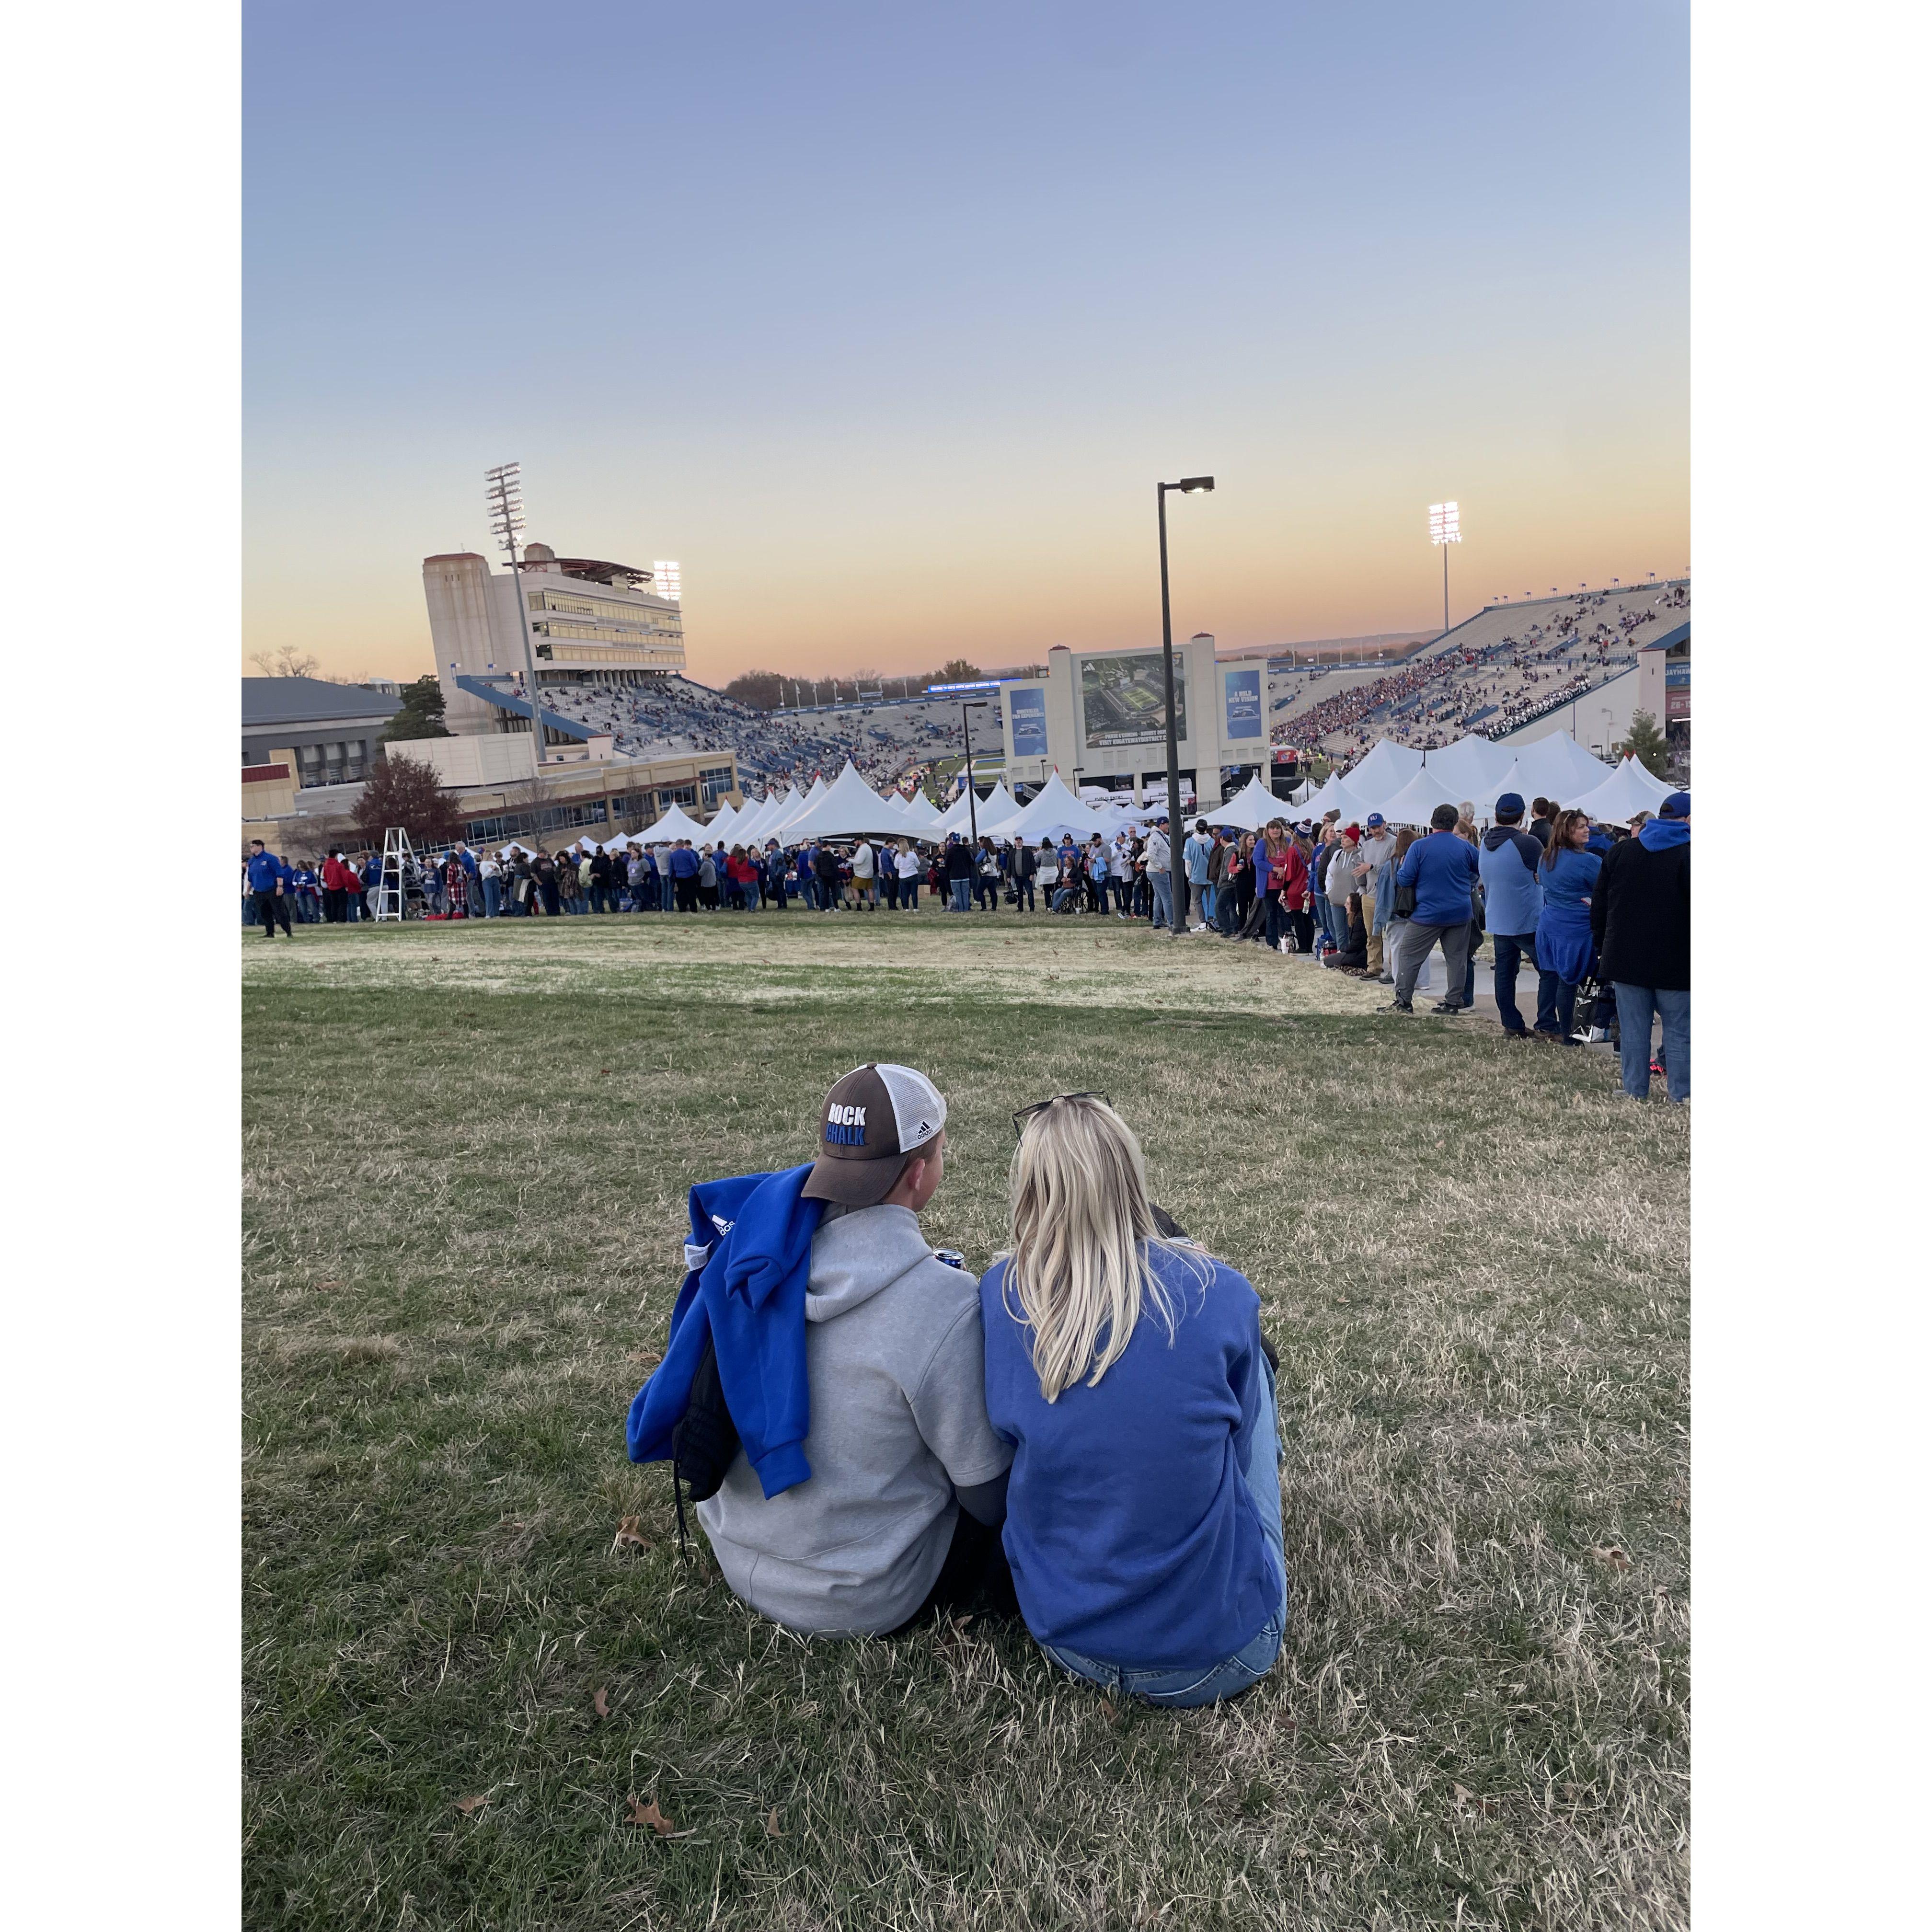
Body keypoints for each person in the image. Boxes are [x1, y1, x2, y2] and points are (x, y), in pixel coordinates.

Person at [632, 1064, 1014, 1636]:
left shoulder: (751, 1250)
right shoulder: (945, 1305)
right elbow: (989, 1499)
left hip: (737, 1554)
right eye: (939, 1153)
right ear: (917, 1173)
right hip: (859, 1597)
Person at [978, 1095, 1285, 1707]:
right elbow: (1240, 1438)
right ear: (1130, 1176)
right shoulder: (1219, 1290)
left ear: (1030, 1190)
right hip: (1226, 1653)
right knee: (1252, 1397)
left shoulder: (1002, 1293)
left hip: (1068, 1640)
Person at [1591, 791, 1690, 1101]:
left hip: (1625, 958)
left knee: (1634, 1031)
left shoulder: (1621, 853)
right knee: (1680, 1031)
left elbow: (1600, 906)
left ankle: (1635, 1090)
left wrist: (1602, 948)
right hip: (1678, 960)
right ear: (1687, 820)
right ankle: (1682, 1093)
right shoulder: (1690, 855)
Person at [1382, 804, 1480, 1015]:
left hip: (1427, 913)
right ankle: (1453, 1002)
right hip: (1459, 911)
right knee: (1457, 959)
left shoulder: (1419, 847)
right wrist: (1468, 884)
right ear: (1455, 823)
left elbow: (1405, 878)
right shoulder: (1466, 847)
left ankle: (1403, 1001)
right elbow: (1480, 871)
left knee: (1409, 956)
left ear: (1432, 821)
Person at [1477, 793, 1545, 1039]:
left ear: (1496, 816)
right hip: (1528, 919)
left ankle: (1512, 1023)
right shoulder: (1528, 843)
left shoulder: (1484, 842)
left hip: (1499, 919)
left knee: (1505, 974)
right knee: (1548, 971)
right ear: (1522, 816)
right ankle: (1547, 1024)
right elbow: (1546, 872)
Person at [1533, 810, 1601, 1044]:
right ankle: (1575, 1036)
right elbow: (1604, 892)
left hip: (1550, 925)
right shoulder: (1588, 862)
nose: (1587, 830)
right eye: (1581, 826)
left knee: (1556, 979)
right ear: (1567, 831)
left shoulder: (1546, 858)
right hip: (1577, 929)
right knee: (1579, 982)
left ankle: (1564, 1032)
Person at [1355, 813, 1395, 976]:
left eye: (1378, 827)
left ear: (1385, 824)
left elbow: (1392, 868)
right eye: (1373, 828)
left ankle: (1396, 969)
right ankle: (1374, 967)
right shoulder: (1367, 846)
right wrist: (1363, 890)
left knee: (1393, 935)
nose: (1376, 831)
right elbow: (1360, 869)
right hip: (1369, 896)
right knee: (1372, 935)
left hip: (1388, 896)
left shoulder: (1394, 842)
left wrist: (1372, 867)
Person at [246, 840, 292, 937]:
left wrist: (280, 886)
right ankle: (270, 932)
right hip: (259, 891)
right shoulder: (252, 861)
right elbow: (250, 877)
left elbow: (279, 873)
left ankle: (288, 932)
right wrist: (247, 890)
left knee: (279, 911)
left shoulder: (270, 858)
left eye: (253, 846)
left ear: (260, 847)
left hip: (272, 889)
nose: (251, 848)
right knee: (264, 912)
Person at [1184, 819, 1214, 932]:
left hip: (1196, 876)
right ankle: (1212, 922)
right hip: (1210, 876)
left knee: (1197, 900)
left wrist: (1189, 875)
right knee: (1210, 900)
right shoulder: (1211, 841)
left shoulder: (1190, 841)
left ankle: (1203, 923)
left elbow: (1188, 861)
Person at [1145, 819, 1173, 931]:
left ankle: (1157, 921)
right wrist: (1160, 866)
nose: (1168, 827)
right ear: (1162, 825)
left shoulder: (1160, 836)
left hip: (1155, 871)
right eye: (1167, 825)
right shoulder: (1156, 837)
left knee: (1158, 897)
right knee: (1167, 897)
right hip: (1158, 871)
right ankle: (1172, 922)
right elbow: (1151, 854)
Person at [944, 834, 974, 913]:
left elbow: (947, 864)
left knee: (957, 894)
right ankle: (966, 908)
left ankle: (960, 909)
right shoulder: (965, 850)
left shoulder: (950, 851)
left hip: (954, 876)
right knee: (965, 893)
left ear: (952, 841)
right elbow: (970, 862)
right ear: (959, 840)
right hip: (965, 875)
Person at [851, 836, 877, 909]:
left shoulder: (862, 849)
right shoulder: (868, 847)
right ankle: (872, 907)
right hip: (869, 872)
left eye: (855, 841)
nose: (854, 843)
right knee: (869, 889)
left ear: (859, 841)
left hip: (861, 873)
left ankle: (859, 907)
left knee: (854, 888)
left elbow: (859, 861)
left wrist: (850, 860)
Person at [896, 838, 922, 909]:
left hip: (903, 877)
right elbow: (918, 864)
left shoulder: (898, 856)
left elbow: (896, 867)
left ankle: (906, 909)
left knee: (905, 894)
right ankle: (915, 908)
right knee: (914, 894)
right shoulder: (912, 854)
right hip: (913, 876)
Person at [1011, 837, 1036, 912]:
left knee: (1030, 893)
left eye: (1020, 841)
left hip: (1027, 876)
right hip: (1017, 877)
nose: (1019, 842)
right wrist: (1009, 875)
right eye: (1017, 841)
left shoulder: (1027, 851)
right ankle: (1020, 908)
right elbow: (1009, 863)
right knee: (1019, 893)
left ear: (1022, 842)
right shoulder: (1012, 852)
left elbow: (1032, 862)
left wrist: (1032, 873)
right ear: (1015, 842)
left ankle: (1032, 908)